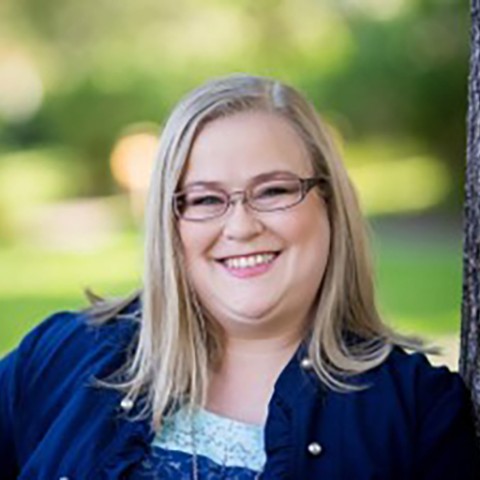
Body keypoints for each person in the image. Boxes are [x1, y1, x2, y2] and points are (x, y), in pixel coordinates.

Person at [0, 74, 478, 479]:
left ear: (330, 205)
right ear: (170, 224)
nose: (242, 226)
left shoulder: (418, 412)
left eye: (272, 191)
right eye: (206, 199)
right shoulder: (59, 357)